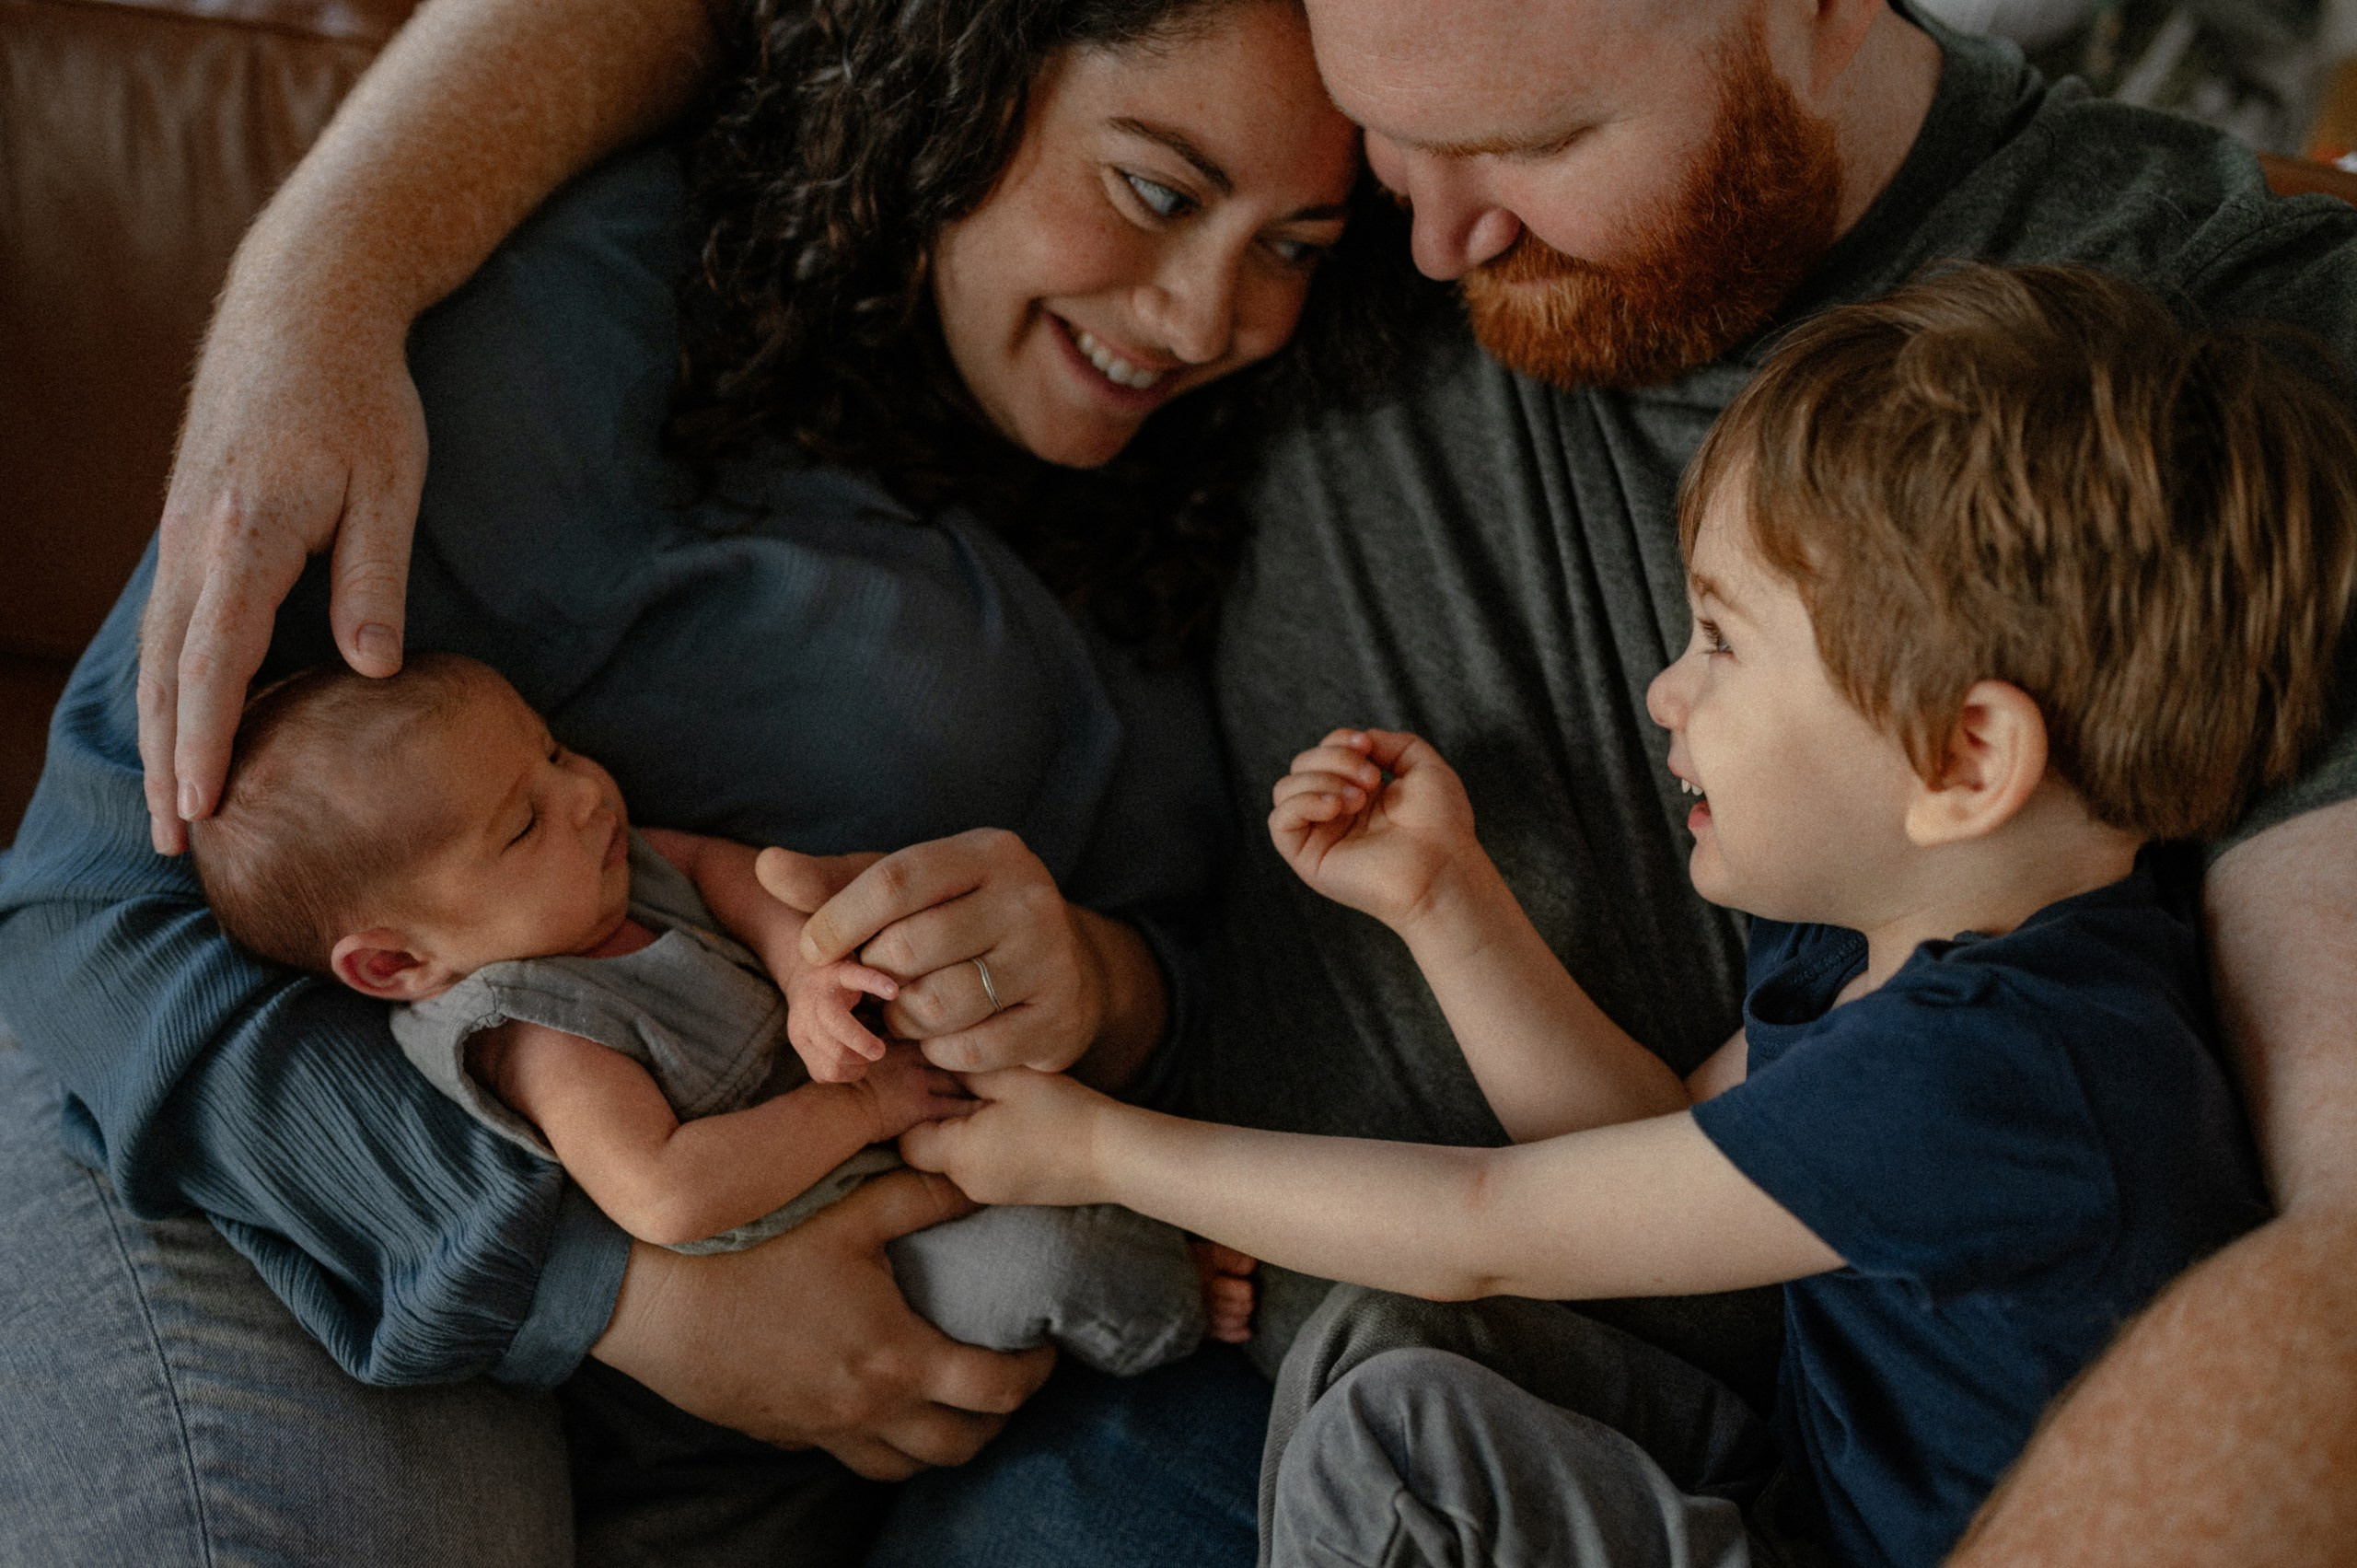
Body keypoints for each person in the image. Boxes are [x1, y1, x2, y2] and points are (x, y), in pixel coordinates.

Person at [18, 0, 2357, 1563]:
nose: (1383, 262)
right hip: (408, 1168)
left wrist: (1108, 1018)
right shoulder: (1234, 163)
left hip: (1287, 1348)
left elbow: (2321, 1257)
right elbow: (111, 894)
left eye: (1504, 156)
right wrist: (319, 264)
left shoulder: (2188, 347)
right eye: (1371, 166)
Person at [0, 0, 1403, 1562]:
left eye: (1296, 244)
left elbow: (1217, 970)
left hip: (819, 1323)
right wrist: (610, 1286)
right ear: (968, 79)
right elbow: (92, 904)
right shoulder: (607, 333)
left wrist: (1104, 980)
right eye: (1154, 189)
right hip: (269, 1149)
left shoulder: (1232, 474)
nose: (1212, 317)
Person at [905, 262, 2357, 1568]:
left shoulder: (2001, 1077)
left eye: (1722, 642)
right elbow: (1630, 1148)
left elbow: (1493, 1223)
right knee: (1375, 1343)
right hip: (1814, 1502)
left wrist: (1101, 1146)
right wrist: (1447, 899)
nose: (1669, 691)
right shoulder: (1883, 946)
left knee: (1407, 1441)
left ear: (1965, 761)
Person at [189, 651, 1247, 1368]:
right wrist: (863, 1110)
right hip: (830, 1239)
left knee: (1002, 1047)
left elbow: (731, 873)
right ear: (395, 962)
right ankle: (1181, 1300)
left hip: (886, 1105)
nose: (587, 795)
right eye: (521, 824)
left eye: (553, 750)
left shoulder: (605, 869)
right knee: (1051, 1265)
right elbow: (663, 1193)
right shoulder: (535, 1024)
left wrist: (804, 972)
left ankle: (1186, 1190)